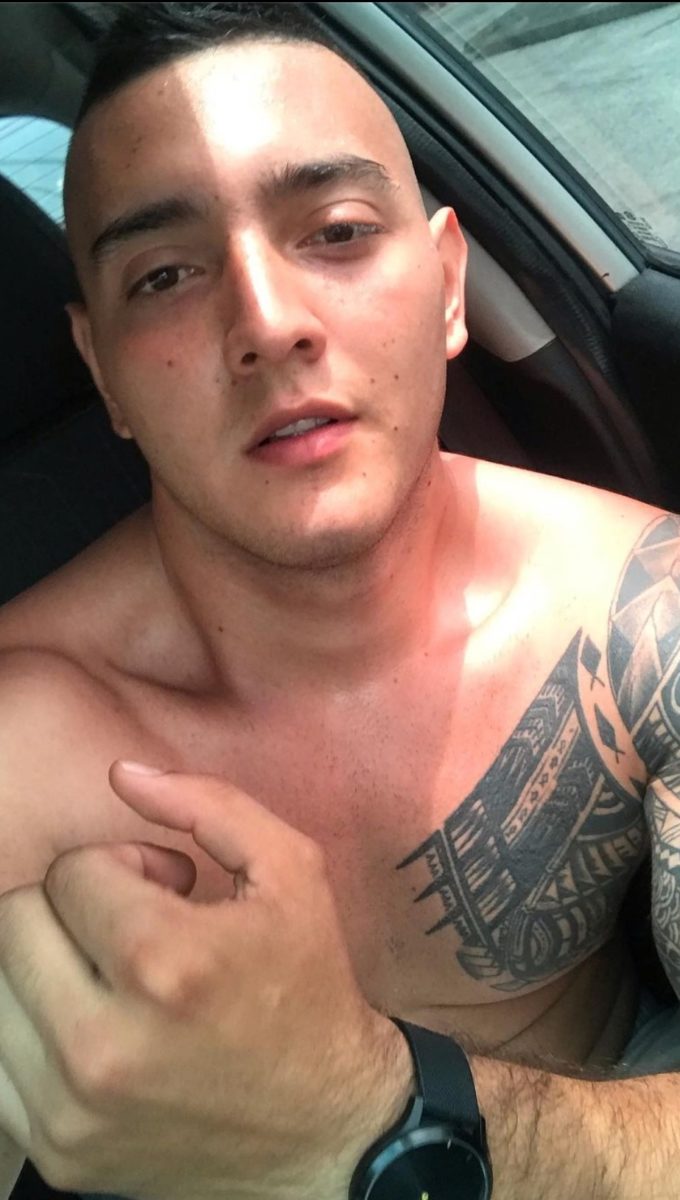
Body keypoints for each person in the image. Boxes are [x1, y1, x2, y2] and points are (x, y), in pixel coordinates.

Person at [0, 2, 679, 1196]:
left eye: (336, 231)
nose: (266, 324)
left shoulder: (635, 615)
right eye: (165, 274)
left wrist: (373, 1114)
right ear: (101, 368)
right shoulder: (21, 752)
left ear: (448, 284)